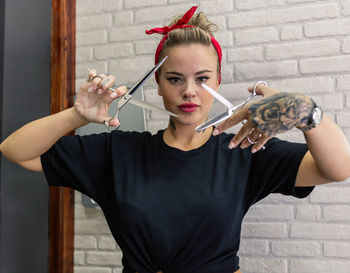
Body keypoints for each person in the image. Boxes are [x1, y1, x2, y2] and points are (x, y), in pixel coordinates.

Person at [1, 5, 350, 273]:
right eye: (174, 78)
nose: (189, 92)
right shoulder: (117, 152)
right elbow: (15, 150)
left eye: (202, 78)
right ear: (158, 83)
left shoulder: (244, 150)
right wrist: (77, 114)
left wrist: (304, 111)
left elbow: (338, 168)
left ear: (218, 81)